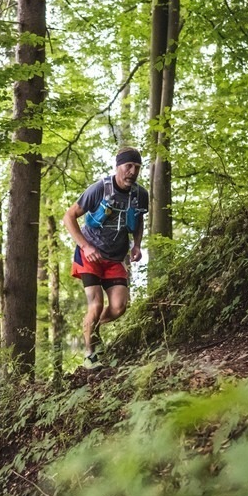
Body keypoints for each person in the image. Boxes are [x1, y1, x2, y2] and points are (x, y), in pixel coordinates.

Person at [62, 146, 149, 369]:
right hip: (89, 255)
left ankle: (91, 329)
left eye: (137, 167)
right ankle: (90, 355)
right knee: (96, 305)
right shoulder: (100, 188)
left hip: (115, 258)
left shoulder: (140, 194)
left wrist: (137, 244)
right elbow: (69, 216)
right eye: (128, 166)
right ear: (118, 166)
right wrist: (85, 246)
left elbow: (138, 221)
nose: (132, 171)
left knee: (119, 307)